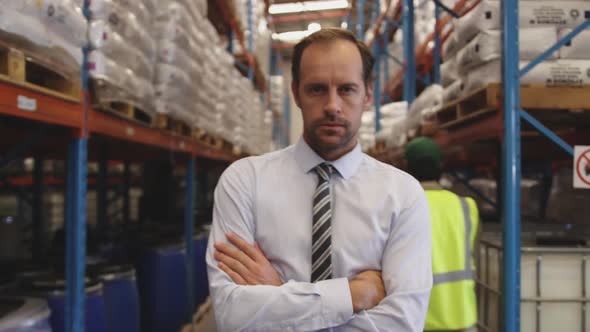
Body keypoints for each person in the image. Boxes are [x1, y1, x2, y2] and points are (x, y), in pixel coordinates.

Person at [206, 28, 432, 331]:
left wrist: (278, 292)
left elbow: (403, 324)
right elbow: (232, 316)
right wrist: (351, 296)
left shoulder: (403, 195)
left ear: (368, 94)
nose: (332, 106)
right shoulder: (245, 182)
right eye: (317, 89)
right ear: (296, 92)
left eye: (347, 89)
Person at [404, 137, 479, 332]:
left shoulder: (400, 207)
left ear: (407, 168)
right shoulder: (466, 206)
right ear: (440, 167)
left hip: (416, 319)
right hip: (462, 318)